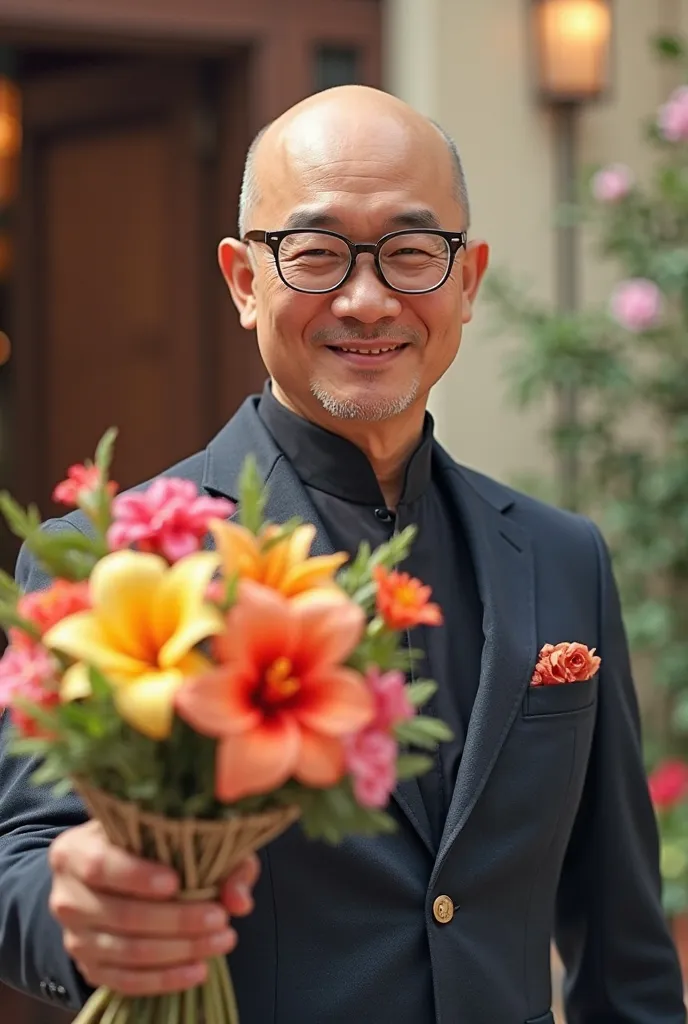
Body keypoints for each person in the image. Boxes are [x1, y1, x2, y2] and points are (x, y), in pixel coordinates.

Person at [0, 84, 684, 1024]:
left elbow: (624, 945)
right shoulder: (112, 559)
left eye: (411, 253)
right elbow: (22, 856)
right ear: (245, 282)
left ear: (469, 280)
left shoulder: (565, 556)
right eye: (317, 255)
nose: (367, 301)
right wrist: (77, 908)